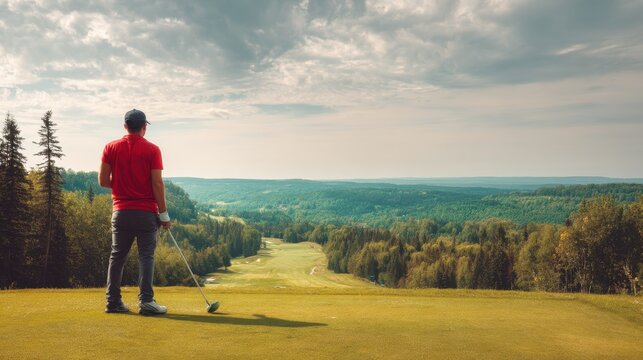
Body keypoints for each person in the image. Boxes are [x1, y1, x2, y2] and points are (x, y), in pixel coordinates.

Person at [99, 109, 171, 315]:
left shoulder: (110, 147)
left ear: (125, 126)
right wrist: (164, 214)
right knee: (146, 256)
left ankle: (113, 302)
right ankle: (146, 302)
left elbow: (103, 181)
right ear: (144, 127)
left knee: (117, 257)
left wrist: (122, 185)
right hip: (146, 213)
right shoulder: (153, 150)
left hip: (120, 212)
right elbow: (157, 183)